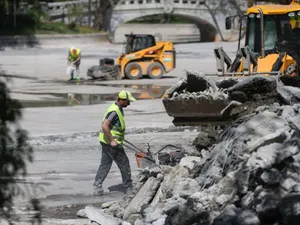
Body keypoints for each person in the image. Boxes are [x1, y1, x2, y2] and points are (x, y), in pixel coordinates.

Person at [93, 90, 136, 196]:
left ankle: (97, 187)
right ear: (121, 100)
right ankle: (129, 189)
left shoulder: (117, 108)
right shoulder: (114, 111)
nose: (129, 104)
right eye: (127, 101)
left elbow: (114, 126)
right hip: (111, 144)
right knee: (124, 164)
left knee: (105, 164)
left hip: (107, 141)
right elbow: (105, 125)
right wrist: (112, 140)